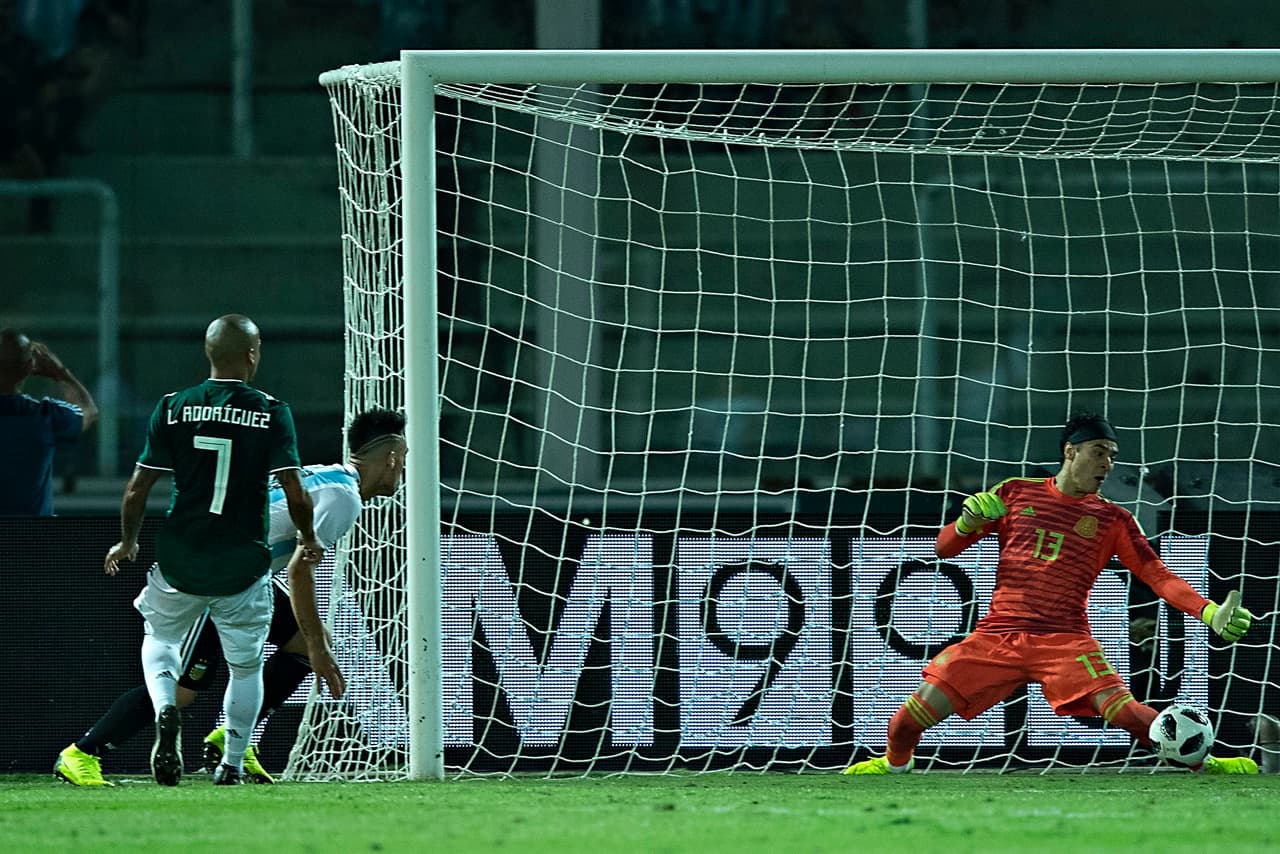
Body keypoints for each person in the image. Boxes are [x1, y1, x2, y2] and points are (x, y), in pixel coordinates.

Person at [844, 412, 1258, 776]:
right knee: (903, 725)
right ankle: (895, 765)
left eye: (1112, 455)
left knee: (1129, 713)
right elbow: (944, 549)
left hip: (1064, 640)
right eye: (1099, 451)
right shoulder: (1015, 492)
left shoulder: (1114, 519)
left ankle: (1204, 761)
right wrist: (967, 522)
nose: (1108, 464)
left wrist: (1206, 610)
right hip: (996, 637)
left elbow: (1158, 575)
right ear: (1070, 452)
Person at [54, 408, 408, 787]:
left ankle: (232, 738)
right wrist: (320, 645)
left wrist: (315, 640)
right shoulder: (344, 498)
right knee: (181, 692)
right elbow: (298, 571)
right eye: (403, 460)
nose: (403, 470)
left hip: (237, 570)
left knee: (301, 644)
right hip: (212, 575)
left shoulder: (329, 478)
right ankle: (81, 753)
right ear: (390, 458)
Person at [98, 314, 323, 787]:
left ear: (208, 354)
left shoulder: (173, 407)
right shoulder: (270, 411)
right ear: (252, 355)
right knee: (245, 666)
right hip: (242, 565)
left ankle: (165, 709)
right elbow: (296, 493)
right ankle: (232, 764)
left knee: (159, 640)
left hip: (182, 559)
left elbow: (137, 489)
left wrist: (129, 540)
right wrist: (307, 537)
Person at [0, 328, 98, 516]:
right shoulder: (46, 417)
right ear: (30, 367)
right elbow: (89, 412)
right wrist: (60, 373)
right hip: (32, 540)